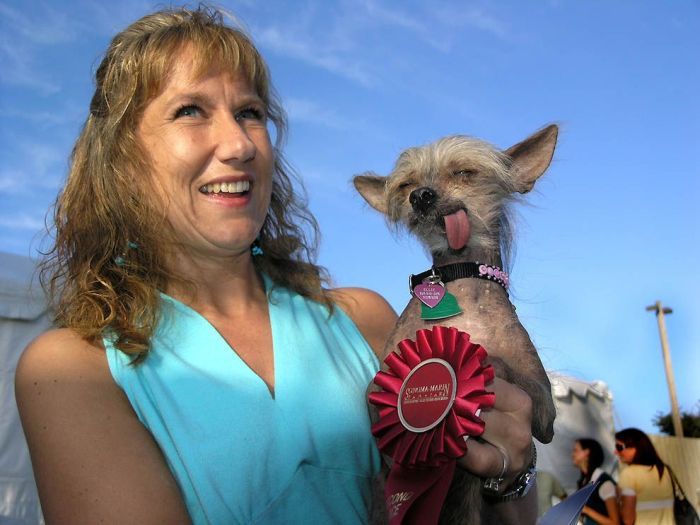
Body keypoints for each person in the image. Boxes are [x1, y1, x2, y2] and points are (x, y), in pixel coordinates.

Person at [14, 6, 537, 524]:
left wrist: (507, 473)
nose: (240, 144)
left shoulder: (365, 319)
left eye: (250, 113)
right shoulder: (70, 370)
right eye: (191, 110)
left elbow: (506, 508)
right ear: (122, 163)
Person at [615, 428, 675, 525]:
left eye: (619, 447)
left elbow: (628, 520)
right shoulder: (665, 470)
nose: (616, 452)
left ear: (636, 448)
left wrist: (617, 501)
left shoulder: (629, 474)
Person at [571, 438, 620, 525]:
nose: (572, 454)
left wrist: (586, 510)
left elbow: (615, 523)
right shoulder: (585, 481)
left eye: (576, 450)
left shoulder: (604, 483)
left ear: (587, 452)